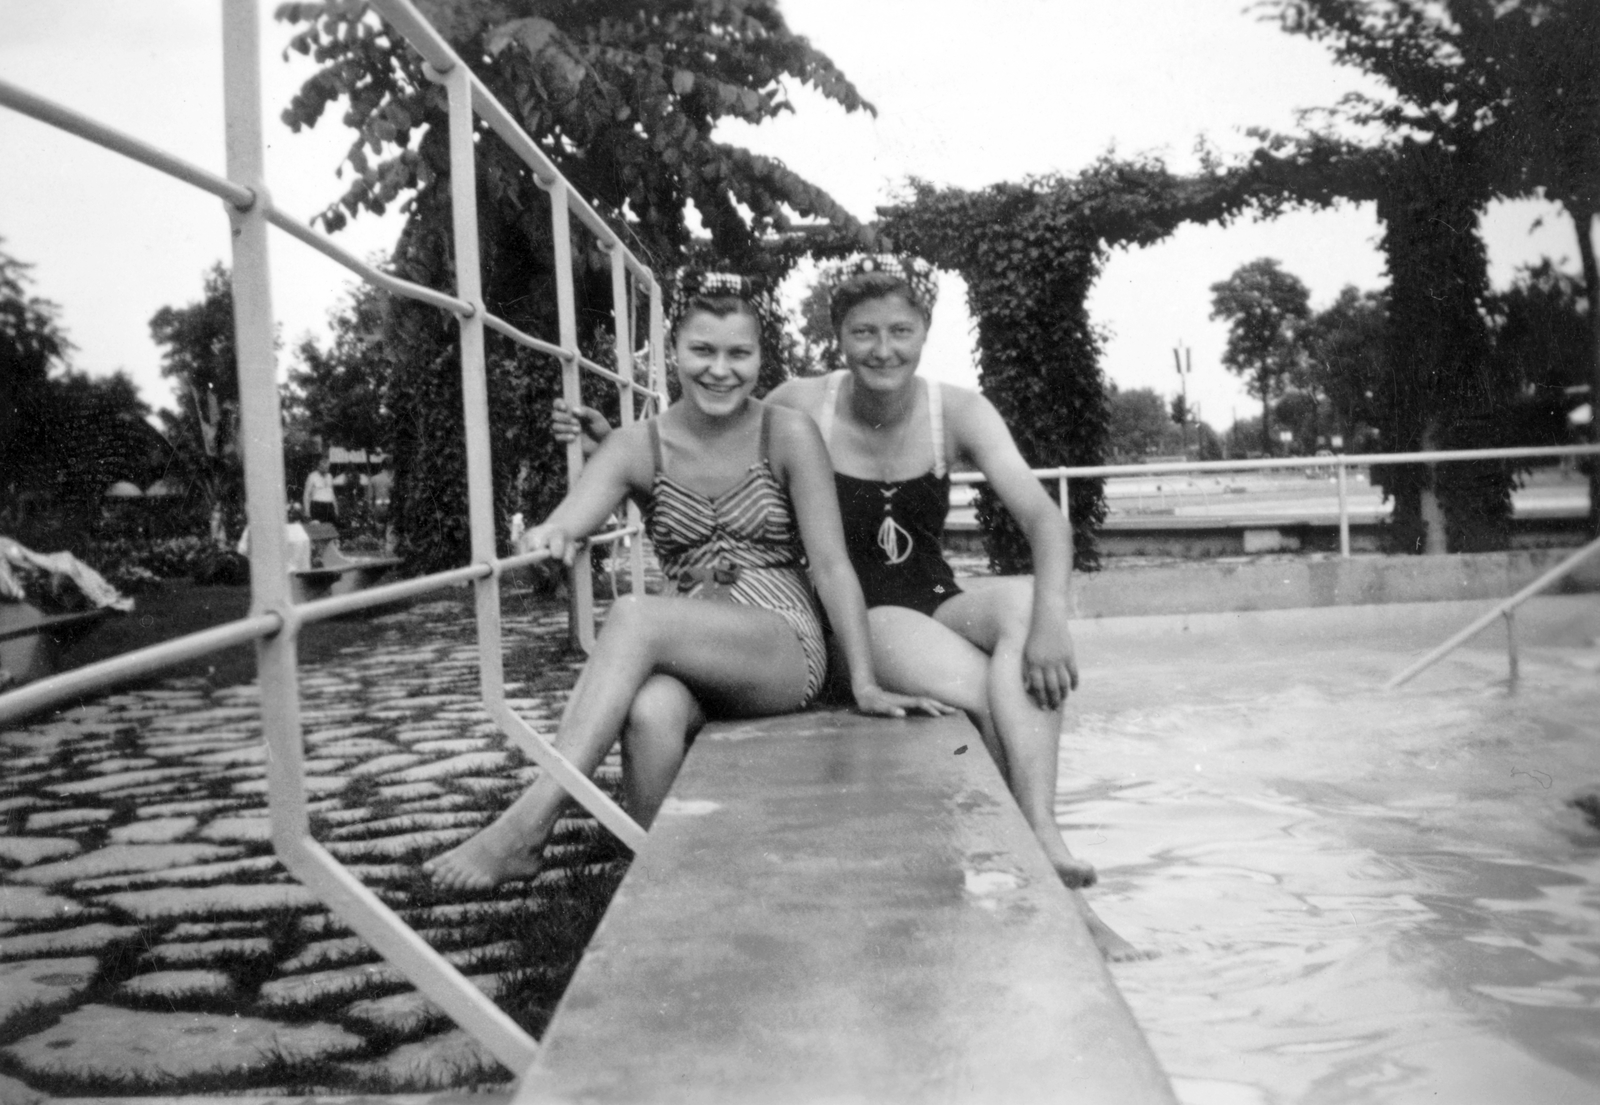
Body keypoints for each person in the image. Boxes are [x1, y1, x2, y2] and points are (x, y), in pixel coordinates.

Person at [554, 254, 1140, 960]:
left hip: (936, 598)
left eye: (901, 331)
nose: (883, 349)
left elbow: (1046, 521)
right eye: (865, 333)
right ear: (839, 337)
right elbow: (715, 412)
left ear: (925, 331)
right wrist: (610, 445)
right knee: (997, 696)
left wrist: (1051, 623)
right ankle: (1060, 896)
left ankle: (1042, 828)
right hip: (863, 619)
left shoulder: (956, 409)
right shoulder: (803, 403)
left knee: (1022, 608)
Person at [426, 269, 949, 891]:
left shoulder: (785, 432)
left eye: (739, 353)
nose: (720, 370)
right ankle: (661, 886)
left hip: (780, 645)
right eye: (702, 351)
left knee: (634, 616)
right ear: (672, 353)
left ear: (760, 358)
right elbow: (567, 521)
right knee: (649, 712)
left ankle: (530, 825)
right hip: (690, 648)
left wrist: (862, 679)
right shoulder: (633, 445)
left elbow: (832, 567)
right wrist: (548, 537)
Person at [303, 455, 339, 525]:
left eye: (327, 465)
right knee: (319, 530)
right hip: (317, 507)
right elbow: (306, 495)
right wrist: (307, 510)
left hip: (329, 506)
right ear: (319, 465)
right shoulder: (312, 476)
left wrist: (336, 508)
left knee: (331, 529)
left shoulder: (330, 476)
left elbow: (332, 494)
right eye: (323, 464)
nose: (326, 466)